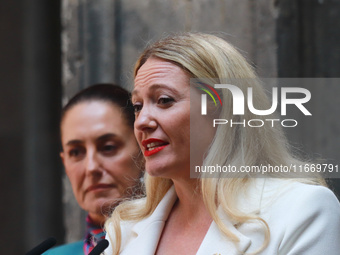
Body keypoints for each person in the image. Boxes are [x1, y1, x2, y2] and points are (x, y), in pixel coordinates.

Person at [104, 33, 340, 255]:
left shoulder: (303, 210)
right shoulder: (122, 231)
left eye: (164, 100)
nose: (142, 121)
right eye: (137, 106)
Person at [45, 84, 143, 255]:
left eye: (108, 147)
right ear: (65, 164)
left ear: (143, 151)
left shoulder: (187, 246)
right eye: (75, 152)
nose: (91, 167)